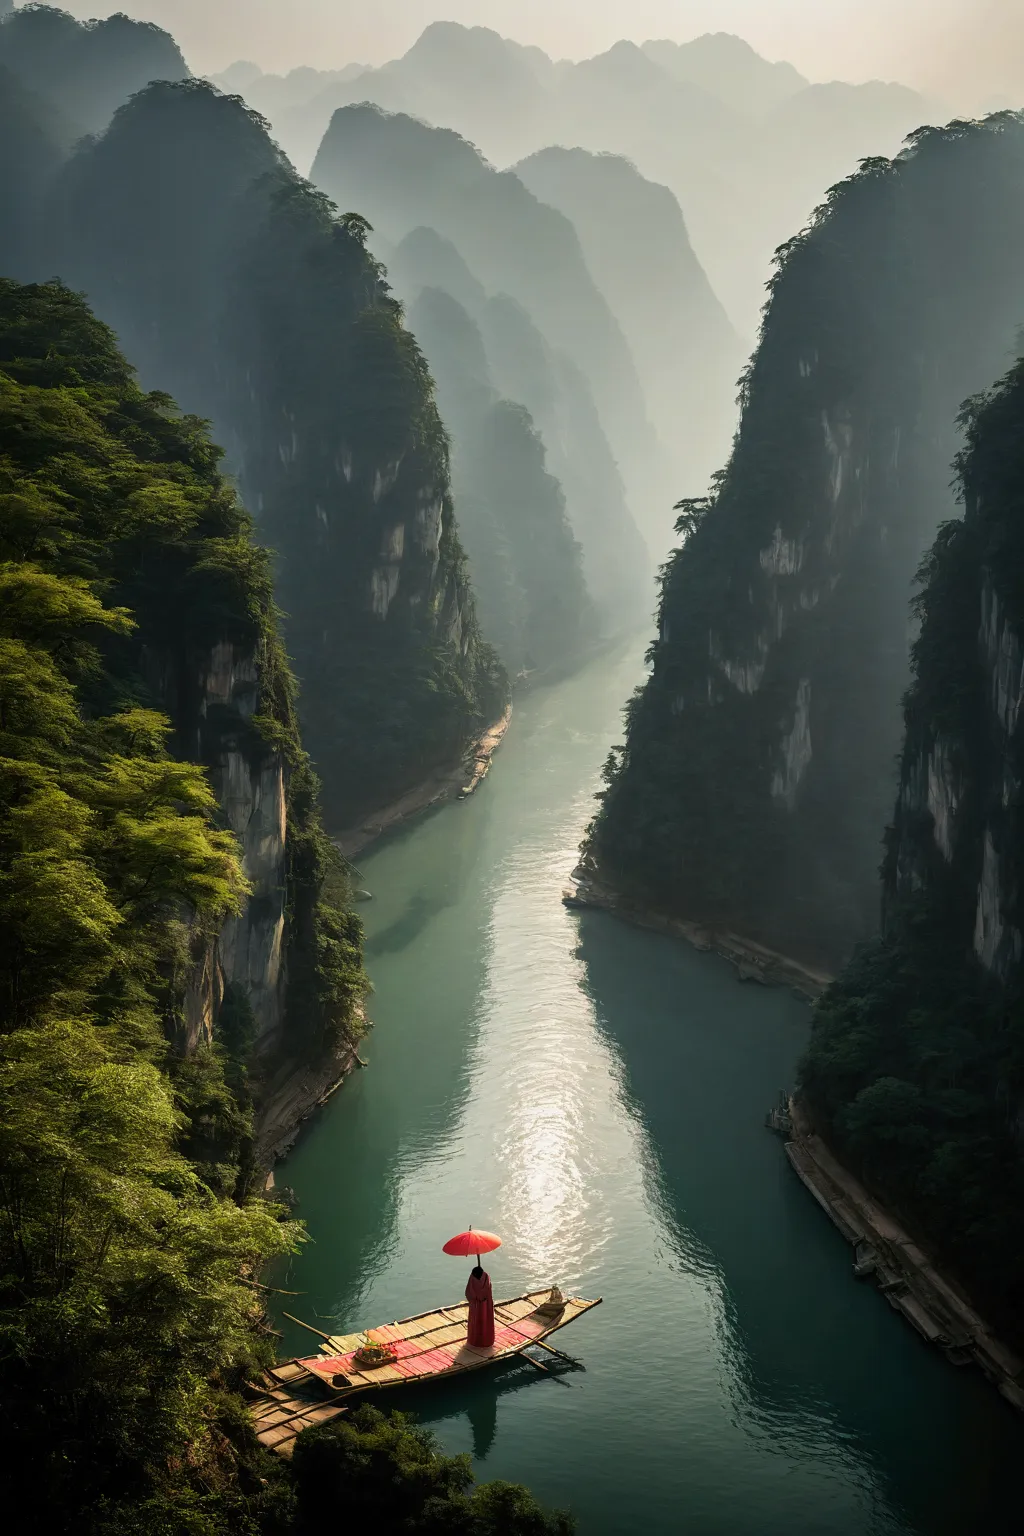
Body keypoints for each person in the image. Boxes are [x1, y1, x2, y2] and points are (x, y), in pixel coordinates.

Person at [465, 1263, 495, 1348]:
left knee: (476, 1322)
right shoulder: (486, 1277)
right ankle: (487, 1340)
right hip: (486, 1305)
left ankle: (475, 1341)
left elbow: (469, 1293)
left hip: (476, 1306)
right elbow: (488, 1291)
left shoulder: (472, 1278)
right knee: (486, 1321)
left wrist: (476, 1298)